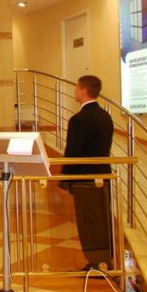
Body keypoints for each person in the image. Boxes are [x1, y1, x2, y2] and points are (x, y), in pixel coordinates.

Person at [62, 75, 114, 271]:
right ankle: (105, 260)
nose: (75, 91)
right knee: (102, 220)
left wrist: (66, 178)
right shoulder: (105, 116)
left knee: (89, 222)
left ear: (84, 91)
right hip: (103, 176)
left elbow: (73, 152)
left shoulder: (78, 120)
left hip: (84, 180)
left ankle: (97, 263)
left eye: (77, 88)